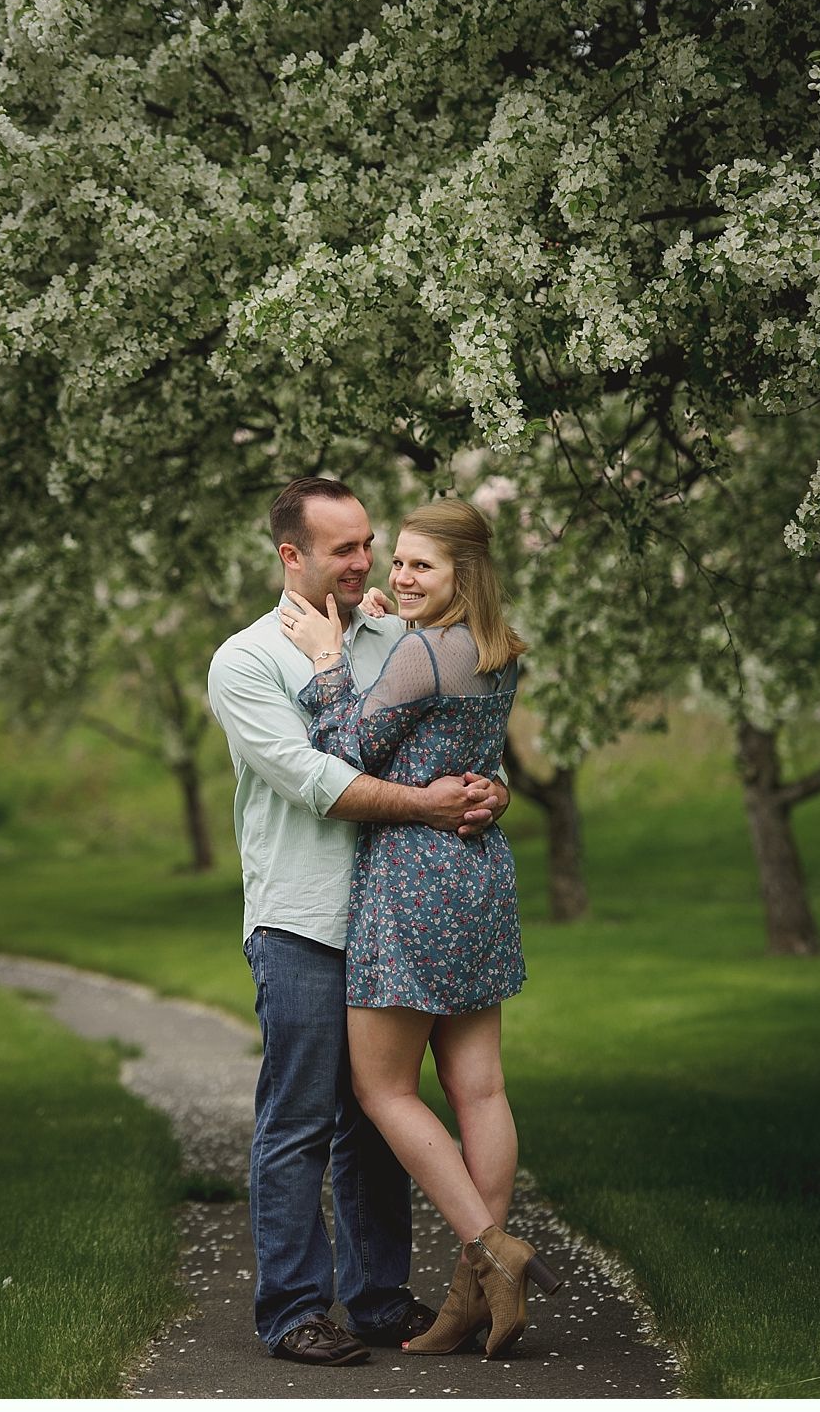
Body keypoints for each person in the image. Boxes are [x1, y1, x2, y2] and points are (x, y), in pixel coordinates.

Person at [207, 477, 510, 1366]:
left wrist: (494, 791)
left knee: (379, 1118)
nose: (364, 562)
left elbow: (451, 738)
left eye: (367, 543)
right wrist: (424, 806)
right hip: (302, 920)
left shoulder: (392, 634)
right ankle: (295, 1308)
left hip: (393, 918)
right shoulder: (248, 660)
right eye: (342, 548)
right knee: (299, 1120)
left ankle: (380, 1298)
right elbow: (314, 780)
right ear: (290, 555)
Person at [279, 497, 563, 1360]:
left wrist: (330, 662)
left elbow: (344, 750)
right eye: (394, 562)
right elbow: (469, 754)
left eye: (418, 566)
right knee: (479, 1087)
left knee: (384, 1091)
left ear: (461, 576)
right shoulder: (495, 651)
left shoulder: (416, 655)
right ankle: (470, 1298)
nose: (397, 577)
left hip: (412, 877)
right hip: (479, 872)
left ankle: (491, 1249)